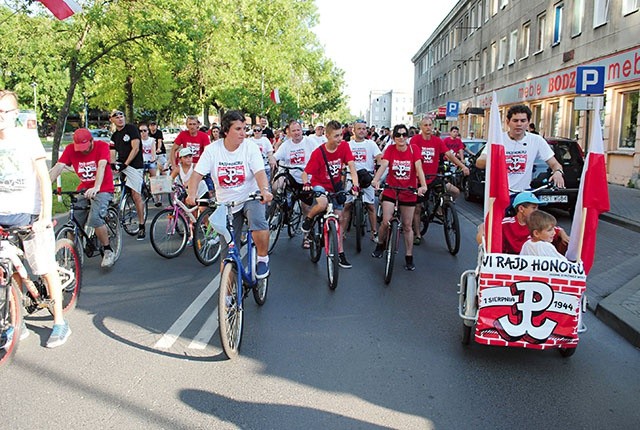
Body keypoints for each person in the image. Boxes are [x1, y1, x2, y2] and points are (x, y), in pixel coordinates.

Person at [0, 90, 69, 348]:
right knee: (8, 271)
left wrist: (44, 216)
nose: (0, 117)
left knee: (43, 266)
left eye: (4, 112)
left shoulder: (27, 139)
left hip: (29, 214)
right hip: (3, 215)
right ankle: (18, 322)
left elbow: (43, 177)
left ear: (15, 114)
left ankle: (60, 322)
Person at [186, 110, 273, 277]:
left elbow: (260, 172)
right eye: (238, 129)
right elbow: (196, 175)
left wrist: (265, 191)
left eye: (244, 129)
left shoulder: (250, 147)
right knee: (227, 254)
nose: (243, 133)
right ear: (226, 131)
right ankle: (227, 295)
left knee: (257, 221)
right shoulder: (213, 150)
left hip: (250, 196)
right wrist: (192, 194)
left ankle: (262, 259)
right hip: (226, 203)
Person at [50, 128, 116, 268]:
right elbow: (58, 167)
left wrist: (97, 187)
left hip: (103, 188)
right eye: (79, 148)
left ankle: (108, 250)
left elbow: (102, 166)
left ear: (92, 141)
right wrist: (43, 186)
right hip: (84, 188)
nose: (82, 151)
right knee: (74, 221)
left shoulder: (102, 146)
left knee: (95, 219)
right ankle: (71, 255)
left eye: (85, 147)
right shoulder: (70, 149)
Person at [300, 120, 360, 269]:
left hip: (335, 185)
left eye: (341, 135)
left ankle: (340, 253)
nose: (340, 139)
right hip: (320, 184)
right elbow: (305, 173)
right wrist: (307, 183)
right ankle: (309, 218)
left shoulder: (344, 146)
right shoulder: (319, 153)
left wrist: (355, 184)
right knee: (322, 203)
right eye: (336, 136)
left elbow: (351, 166)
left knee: (339, 218)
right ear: (327, 136)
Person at [371, 124, 428, 271]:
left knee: (408, 226)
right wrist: (376, 180)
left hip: (408, 191)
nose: (401, 137)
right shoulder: (390, 149)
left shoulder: (413, 149)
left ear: (407, 136)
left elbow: (419, 168)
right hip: (391, 190)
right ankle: (380, 244)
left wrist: (423, 185)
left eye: (404, 135)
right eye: (398, 135)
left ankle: (409, 256)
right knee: (385, 221)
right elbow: (384, 165)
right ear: (394, 137)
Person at [475, 104, 565, 191]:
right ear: (508, 122)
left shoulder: (536, 140)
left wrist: (558, 172)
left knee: (532, 206)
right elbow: (479, 163)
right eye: (515, 121)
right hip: (500, 194)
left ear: (528, 123)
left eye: (523, 121)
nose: (519, 124)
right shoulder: (497, 140)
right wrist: (494, 159)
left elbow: (555, 164)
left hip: (523, 194)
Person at [410, 117, 469, 245]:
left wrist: (462, 166)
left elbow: (449, 155)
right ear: (421, 127)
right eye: (425, 125)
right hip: (419, 179)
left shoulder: (437, 141)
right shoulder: (415, 140)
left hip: (433, 176)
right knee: (417, 208)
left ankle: (443, 208)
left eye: (430, 125)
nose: (428, 127)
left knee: (455, 191)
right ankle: (418, 234)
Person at [476, 191, 569, 254]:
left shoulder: (537, 223)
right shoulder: (507, 223)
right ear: (521, 209)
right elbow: (484, 225)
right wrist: (481, 234)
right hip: (510, 264)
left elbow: (556, 229)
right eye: (534, 208)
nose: (537, 211)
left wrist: (563, 235)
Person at [273, 120, 318, 248]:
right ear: (289, 132)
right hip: (291, 177)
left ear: (301, 130)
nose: (296, 133)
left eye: (298, 130)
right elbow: (276, 156)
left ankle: (306, 236)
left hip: (306, 179)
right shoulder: (286, 145)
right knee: (276, 185)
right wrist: (272, 159)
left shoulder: (310, 142)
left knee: (305, 208)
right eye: (294, 131)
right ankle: (280, 209)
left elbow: (319, 155)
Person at [341, 119, 381, 242]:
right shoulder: (347, 145)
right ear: (353, 130)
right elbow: (342, 161)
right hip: (350, 178)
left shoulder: (371, 144)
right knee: (347, 206)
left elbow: (379, 157)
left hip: (367, 178)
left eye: (364, 128)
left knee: (371, 206)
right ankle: (341, 232)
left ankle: (374, 232)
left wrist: (378, 171)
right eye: (359, 128)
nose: (362, 131)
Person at [109, 109, 146, 240]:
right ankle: (110, 205)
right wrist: (113, 165)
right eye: (116, 117)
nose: (120, 118)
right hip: (122, 163)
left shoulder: (131, 129)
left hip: (134, 165)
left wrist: (126, 163)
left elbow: (135, 148)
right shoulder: (114, 136)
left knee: (136, 195)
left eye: (121, 116)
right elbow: (112, 153)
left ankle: (142, 226)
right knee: (106, 177)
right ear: (112, 120)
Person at [138, 123, 162, 207]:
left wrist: (153, 158)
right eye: (140, 131)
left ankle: (157, 198)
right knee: (138, 179)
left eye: (144, 130)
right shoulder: (138, 141)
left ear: (148, 131)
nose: (143, 132)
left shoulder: (151, 140)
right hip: (141, 162)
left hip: (150, 161)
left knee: (154, 179)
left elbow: (153, 151)